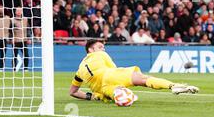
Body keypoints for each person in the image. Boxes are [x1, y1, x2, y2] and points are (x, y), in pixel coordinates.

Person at [69, 40, 199, 103]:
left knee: (117, 94)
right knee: (142, 79)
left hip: (102, 90)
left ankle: (121, 95)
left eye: (103, 47)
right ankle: (173, 86)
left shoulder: (79, 70)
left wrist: (90, 96)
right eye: (100, 47)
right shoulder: (101, 55)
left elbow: (73, 92)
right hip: (109, 76)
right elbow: (114, 71)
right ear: (90, 50)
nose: (103, 49)